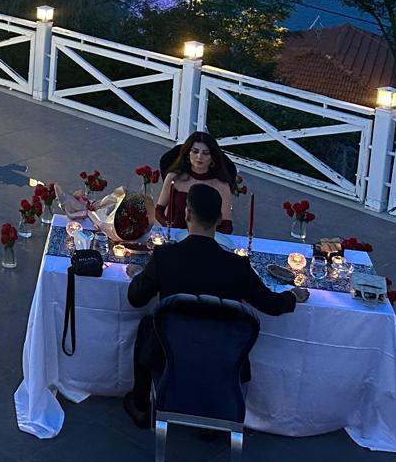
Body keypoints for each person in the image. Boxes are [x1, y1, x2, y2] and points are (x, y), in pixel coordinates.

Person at [122, 182, 307, 428]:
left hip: (170, 354)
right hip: (223, 358)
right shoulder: (237, 266)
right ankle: (214, 416)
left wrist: (140, 275)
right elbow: (271, 304)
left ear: (187, 214)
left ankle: (141, 404)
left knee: (148, 324)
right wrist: (294, 296)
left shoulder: (165, 256)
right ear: (219, 219)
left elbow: (135, 299)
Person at [155, 131, 239, 233]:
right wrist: (168, 226)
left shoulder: (221, 186)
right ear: (188, 153)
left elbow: (226, 225)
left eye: (205, 153)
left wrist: (212, 237)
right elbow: (159, 210)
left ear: (212, 156)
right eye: (195, 151)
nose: (199, 156)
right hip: (174, 237)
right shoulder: (174, 177)